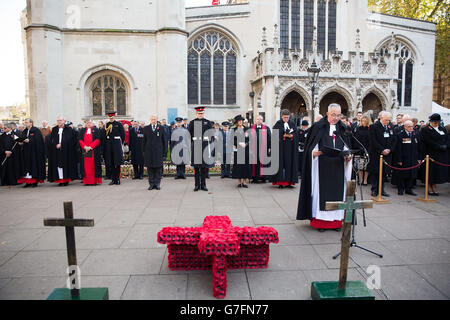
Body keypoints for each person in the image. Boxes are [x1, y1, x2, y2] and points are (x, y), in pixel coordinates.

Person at [297, 104, 353, 232]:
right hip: (322, 168)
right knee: (322, 195)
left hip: (338, 168)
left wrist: (348, 156)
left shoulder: (343, 128)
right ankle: (321, 222)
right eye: (333, 115)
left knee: (338, 194)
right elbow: (310, 148)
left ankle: (336, 221)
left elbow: (346, 147)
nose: (336, 118)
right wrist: (315, 153)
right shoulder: (318, 127)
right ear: (327, 113)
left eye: (338, 115)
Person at [368, 111, 397, 197]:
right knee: (376, 173)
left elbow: (394, 139)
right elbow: (373, 140)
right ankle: (374, 189)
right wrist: (382, 149)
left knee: (384, 173)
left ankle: (382, 189)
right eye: (386, 120)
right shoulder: (374, 127)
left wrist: (390, 150)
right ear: (381, 118)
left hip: (387, 154)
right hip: (377, 154)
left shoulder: (390, 127)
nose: (387, 122)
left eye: (389, 120)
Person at [419, 113, 449, 195]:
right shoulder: (426, 129)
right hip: (431, 154)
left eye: (437, 122)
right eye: (434, 122)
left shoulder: (442, 128)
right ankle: (429, 187)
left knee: (437, 172)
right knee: (430, 172)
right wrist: (438, 146)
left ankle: (434, 186)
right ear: (431, 121)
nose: (436, 123)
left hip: (440, 155)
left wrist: (446, 145)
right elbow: (427, 141)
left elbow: (446, 138)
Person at [47, 116, 79, 186]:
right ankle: (60, 179)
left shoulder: (69, 129)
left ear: (64, 121)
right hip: (57, 151)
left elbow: (71, 140)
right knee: (58, 165)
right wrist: (55, 145)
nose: (59, 122)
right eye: (58, 120)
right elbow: (52, 139)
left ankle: (66, 179)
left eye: (60, 120)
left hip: (66, 151)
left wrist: (62, 144)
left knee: (65, 165)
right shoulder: (54, 129)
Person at [271, 109, 299, 188]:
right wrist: (283, 136)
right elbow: (275, 136)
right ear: (281, 116)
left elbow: (296, 135)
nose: (286, 119)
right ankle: (280, 182)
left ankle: (289, 182)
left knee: (290, 164)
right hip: (281, 149)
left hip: (290, 149)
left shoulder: (292, 123)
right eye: (284, 117)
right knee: (281, 165)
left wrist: (292, 136)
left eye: (287, 117)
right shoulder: (278, 124)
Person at [188, 106, 213, 192]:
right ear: (196, 113)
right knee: (196, 167)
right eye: (199, 113)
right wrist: (192, 140)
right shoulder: (192, 122)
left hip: (204, 147)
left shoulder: (208, 122)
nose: (200, 115)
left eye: (201, 113)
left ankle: (203, 185)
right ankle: (196, 185)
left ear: (203, 113)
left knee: (203, 168)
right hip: (196, 147)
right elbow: (188, 134)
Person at [17, 118, 46, 187]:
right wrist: (21, 142)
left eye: (27, 122)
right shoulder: (24, 131)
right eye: (25, 122)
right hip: (26, 152)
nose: (25, 124)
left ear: (31, 123)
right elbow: (22, 138)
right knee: (26, 166)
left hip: (34, 152)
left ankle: (34, 181)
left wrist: (30, 141)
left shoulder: (36, 130)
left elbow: (39, 141)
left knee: (33, 166)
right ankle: (28, 181)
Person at [393, 120, 420, 196]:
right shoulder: (400, 135)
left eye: (412, 126)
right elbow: (398, 149)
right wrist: (399, 159)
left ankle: (409, 189)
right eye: (409, 126)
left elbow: (419, 147)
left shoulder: (416, 134)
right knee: (402, 174)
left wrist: (419, 158)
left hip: (413, 158)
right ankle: (401, 189)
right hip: (404, 159)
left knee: (412, 175)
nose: (411, 128)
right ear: (405, 127)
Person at [143, 115, 167, 190]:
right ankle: (151, 184)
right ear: (150, 120)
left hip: (158, 152)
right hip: (149, 152)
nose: (153, 120)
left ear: (157, 119)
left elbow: (164, 141)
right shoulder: (146, 128)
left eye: (155, 119)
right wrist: (143, 151)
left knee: (158, 169)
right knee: (150, 169)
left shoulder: (161, 128)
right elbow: (144, 141)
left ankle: (157, 184)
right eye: (152, 119)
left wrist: (164, 152)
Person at [102, 111, 125, 185]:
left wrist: (120, 144)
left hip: (116, 145)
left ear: (114, 117)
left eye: (112, 117)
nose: (111, 118)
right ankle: (113, 179)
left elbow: (123, 135)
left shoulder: (118, 124)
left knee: (117, 163)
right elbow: (104, 136)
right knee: (110, 162)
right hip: (109, 145)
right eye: (110, 117)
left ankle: (117, 179)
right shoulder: (106, 125)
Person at [78, 119, 102, 186]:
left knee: (93, 166)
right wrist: (85, 147)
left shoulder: (96, 130)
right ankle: (87, 181)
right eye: (87, 123)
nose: (88, 124)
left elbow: (98, 139)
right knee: (86, 166)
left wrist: (91, 147)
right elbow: (80, 140)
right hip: (85, 150)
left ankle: (94, 181)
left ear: (92, 123)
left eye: (89, 123)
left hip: (93, 151)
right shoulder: (82, 130)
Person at [249, 115, 271, 183]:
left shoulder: (266, 128)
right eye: (258, 119)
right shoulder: (252, 128)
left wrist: (269, 147)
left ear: (262, 120)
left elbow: (269, 138)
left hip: (263, 149)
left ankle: (263, 178)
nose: (259, 120)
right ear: (256, 120)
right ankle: (254, 178)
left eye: (261, 119)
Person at [232, 115, 251, 188]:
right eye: (239, 121)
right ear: (236, 122)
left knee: (245, 165)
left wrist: (246, 144)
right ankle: (239, 182)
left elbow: (249, 139)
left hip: (246, 150)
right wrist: (238, 143)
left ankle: (245, 182)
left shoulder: (247, 129)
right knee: (238, 166)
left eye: (241, 121)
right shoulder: (234, 130)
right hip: (238, 150)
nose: (240, 122)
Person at [354, 115, 371, 185]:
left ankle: (365, 180)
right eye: (362, 121)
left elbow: (371, 140)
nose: (364, 122)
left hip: (368, 150)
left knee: (367, 167)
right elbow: (356, 139)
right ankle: (360, 180)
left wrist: (368, 149)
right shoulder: (358, 129)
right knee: (360, 166)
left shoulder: (370, 129)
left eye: (365, 121)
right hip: (359, 150)